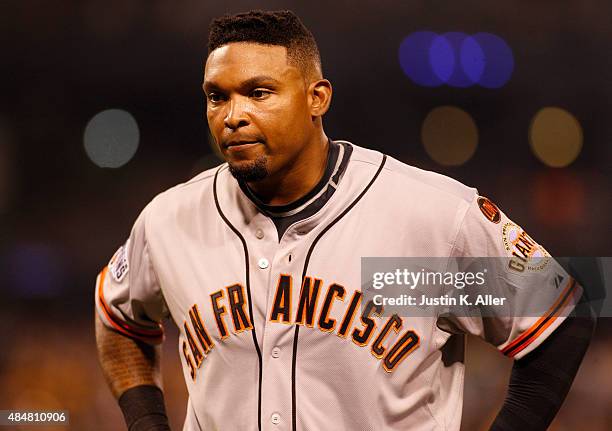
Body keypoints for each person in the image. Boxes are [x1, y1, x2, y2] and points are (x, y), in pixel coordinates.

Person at [94, 10, 595, 431]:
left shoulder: (427, 216)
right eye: (217, 95)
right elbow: (119, 320)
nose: (233, 115)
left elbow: (563, 317)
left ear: (317, 98)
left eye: (259, 92)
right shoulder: (169, 220)